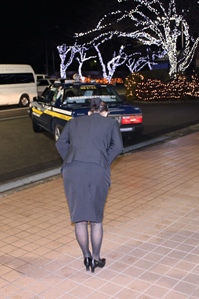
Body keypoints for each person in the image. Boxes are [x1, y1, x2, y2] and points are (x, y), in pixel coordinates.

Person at [56, 97, 124, 272]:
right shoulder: (110, 123)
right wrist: (102, 161)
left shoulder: (74, 122)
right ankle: (96, 258)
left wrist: (71, 160)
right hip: (97, 169)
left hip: (72, 170)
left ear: (89, 111)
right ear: (105, 112)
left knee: (79, 218)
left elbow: (61, 143)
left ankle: (86, 257)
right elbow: (117, 147)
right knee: (95, 219)